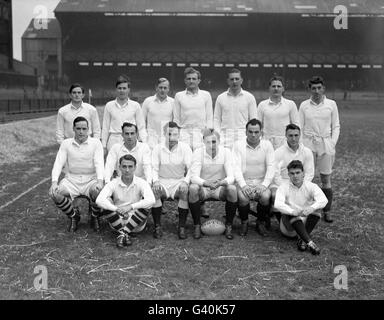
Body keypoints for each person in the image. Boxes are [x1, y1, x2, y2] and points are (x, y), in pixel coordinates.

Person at [49, 116, 104, 233]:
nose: (81, 131)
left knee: (98, 191)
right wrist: (54, 183)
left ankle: (94, 216)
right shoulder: (66, 143)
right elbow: (58, 163)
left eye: (84, 129)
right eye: (78, 128)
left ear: (88, 129)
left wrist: (100, 181)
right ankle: (74, 215)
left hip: (91, 179)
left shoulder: (96, 143)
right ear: (73, 129)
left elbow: (99, 163)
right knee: (54, 194)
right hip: (71, 180)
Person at [298, 76, 340, 223]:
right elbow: (300, 126)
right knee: (305, 177)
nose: (316, 91)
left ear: (323, 89)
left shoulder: (331, 104)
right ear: (310, 89)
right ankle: (304, 208)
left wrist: (332, 143)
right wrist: (302, 145)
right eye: (313, 88)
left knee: (325, 179)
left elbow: (336, 126)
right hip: (308, 144)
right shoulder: (304, 105)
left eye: (319, 88)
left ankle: (327, 211)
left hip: (325, 143)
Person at [96, 154, 156, 248]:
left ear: (135, 167)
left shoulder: (142, 182)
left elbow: (152, 200)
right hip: (117, 220)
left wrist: (130, 207)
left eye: (130, 166)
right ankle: (124, 233)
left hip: (136, 222)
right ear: (119, 167)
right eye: (124, 166)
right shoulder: (113, 183)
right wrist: (116, 209)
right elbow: (99, 200)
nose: (127, 170)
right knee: (105, 202)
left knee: (147, 205)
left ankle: (122, 233)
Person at [189, 129, 237, 240]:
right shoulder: (198, 152)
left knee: (233, 189)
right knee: (192, 188)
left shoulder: (226, 152)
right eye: (208, 142)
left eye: (214, 141)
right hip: (204, 187)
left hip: (219, 187)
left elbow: (231, 177)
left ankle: (229, 225)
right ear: (204, 142)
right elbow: (193, 177)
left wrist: (221, 182)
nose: (211, 145)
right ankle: (197, 225)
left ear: (219, 141)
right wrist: (205, 183)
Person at [274, 160, 328, 255]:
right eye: (292, 173)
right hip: (289, 227)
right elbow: (277, 204)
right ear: (289, 175)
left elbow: (323, 200)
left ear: (303, 173)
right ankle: (308, 241)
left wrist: (312, 208)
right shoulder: (283, 187)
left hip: (305, 223)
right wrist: (292, 211)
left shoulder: (312, 186)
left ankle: (305, 241)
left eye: (298, 172)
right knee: (289, 213)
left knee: (317, 209)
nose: (295, 176)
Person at [233, 119, 275, 237]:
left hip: (261, 181)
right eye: (250, 131)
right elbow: (235, 167)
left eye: (256, 132)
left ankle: (260, 222)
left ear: (261, 132)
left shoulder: (267, 145)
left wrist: (264, 185)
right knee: (242, 197)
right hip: (244, 181)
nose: (253, 135)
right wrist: (243, 185)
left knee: (266, 196)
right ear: (245, 132)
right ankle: (244, 222)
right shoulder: (238, 145)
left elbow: (271, 167)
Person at [151, 121, 192, 239]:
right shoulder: (157, 148)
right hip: (162, 181)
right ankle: (157, 226)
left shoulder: (185, 148)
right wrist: (156, 181)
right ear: (164, 134)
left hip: (178, 181)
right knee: (155, 190)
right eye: (169, 134)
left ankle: (181, 227)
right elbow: (154, 168)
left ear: (179, 135)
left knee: (185, 191)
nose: (171, 137)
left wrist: (185, 182)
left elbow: (191, 169)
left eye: (175, 134)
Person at [271, 124, 314, 222]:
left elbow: (309, 173)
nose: (293, 138)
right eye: (290, 135)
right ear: (286, 136)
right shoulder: (279, 152)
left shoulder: (307, 152)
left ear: (300, 135)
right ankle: (282, 222)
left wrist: (301, 186)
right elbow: (275, 173)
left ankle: (301, 220)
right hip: (282, 182)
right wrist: (285, 188)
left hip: (300, 182)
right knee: (275, 195)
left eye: (296, 135)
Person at [101, 75, 147, 153]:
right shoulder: (109, 105)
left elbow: (141, 127)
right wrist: (103, 146)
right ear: (116, 89)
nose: (122, 91)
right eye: (119, 88)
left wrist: (144, 143)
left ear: (128, 89)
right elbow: (105, 127)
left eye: (124, 88)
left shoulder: (135, 105)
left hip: (131, 140)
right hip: (113, 140)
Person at [213, 68, 257, 148]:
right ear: (228, 81)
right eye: (232, 79)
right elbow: (216, 119)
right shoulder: (221, 98)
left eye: (237, 79)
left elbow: (253, 119)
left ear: (241, 80)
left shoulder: (249, 97)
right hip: (225, 136)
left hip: (243, 135)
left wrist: (249, 135)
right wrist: (218, 134)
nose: (234, 81)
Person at [173, 67, 213, 151]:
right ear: (185, 80)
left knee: (200, 161)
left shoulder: (206, 95)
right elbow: (176, 118)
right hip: (184, 134)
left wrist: (208, 133)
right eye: (189, 79)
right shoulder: (178, 96)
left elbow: (209, 117)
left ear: (199, 81)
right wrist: (177, 135)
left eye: (194, 79)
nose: (191, 81)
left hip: (201, 134)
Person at [257, 75, 300, 149]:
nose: (276, 89)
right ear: (269, 88)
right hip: (266, 143)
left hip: (285, 143)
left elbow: (296, 125)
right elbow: (258, 126)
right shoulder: (262, 105)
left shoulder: (290, 104)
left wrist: (295, 142)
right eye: (273, 86)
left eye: (279, 86)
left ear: (283, 88)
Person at [142, 77, 174, 149]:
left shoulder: (173, 102)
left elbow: (175, 122)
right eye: (160, 87)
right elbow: (141, 122)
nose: (162, 90)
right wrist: (144, 138)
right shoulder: (148, 101)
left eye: (165, 88)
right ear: (156, 88)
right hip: (150, 139)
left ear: (168, 89)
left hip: (166, 139)